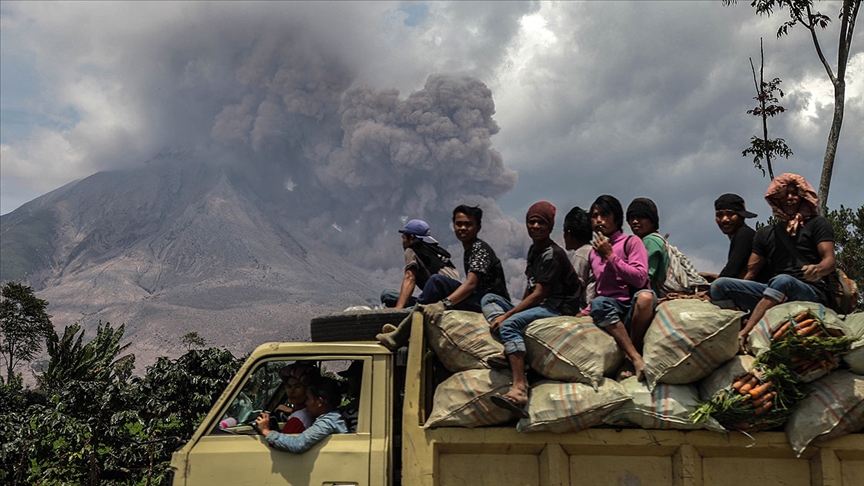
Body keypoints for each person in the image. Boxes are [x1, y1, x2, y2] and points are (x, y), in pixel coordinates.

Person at [710, 173, 836, 349]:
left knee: (783, 280)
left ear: (802, 196)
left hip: (811, 293)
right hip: (775, 292)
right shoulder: (766, 234)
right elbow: (750, 273)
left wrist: (818, 269)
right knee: (720, 285)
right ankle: (733, 328)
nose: (790, 198)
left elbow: (829, 260)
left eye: (794, 193)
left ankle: (744, 333)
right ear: (776, 198)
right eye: (784, 194)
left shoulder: (817, 224)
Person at [482, 201, 581, 416]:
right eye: (531, 221)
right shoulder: (534, 251)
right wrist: (516, 310)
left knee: (509, 325)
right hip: (541, 303)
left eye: (541, 223)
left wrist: (509, 316)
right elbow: (530, 286)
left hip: (557, 306)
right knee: (490, 299)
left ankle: (519, 387)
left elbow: (540, 293)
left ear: (550, 227)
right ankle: (512, 347)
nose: (535, 226)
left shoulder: (552, 254)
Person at [376, 206, 510, 350]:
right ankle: (411, 315)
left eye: (468, 224)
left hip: (489, 302)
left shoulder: (479, 248)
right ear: (453, 226)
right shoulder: (449, 252)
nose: (463, 228)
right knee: (390, 295)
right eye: (459, 224)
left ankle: (400, 334)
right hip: (470, 298)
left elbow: (471, 284)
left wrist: (444, 304)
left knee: (435, 281)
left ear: (478, 227)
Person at [585, 195, 651, 381]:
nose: (599, 220)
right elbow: (601, 290)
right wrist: (583, 312)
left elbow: (639, 278)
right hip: (610, 311)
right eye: (594, 215)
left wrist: (610, 256)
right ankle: (633, 356)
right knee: (598, 303)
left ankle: (633, 356)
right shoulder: (593, 252)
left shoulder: (631, 242)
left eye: (604, 215)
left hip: (632, 308)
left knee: (646, 298)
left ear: (616, 218)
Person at [380, 219, 459, 308]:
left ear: (412, 238)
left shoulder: (412, 249)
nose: (402, 243)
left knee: (387, 295)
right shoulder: (437, 252)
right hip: (455, 299)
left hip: (438, 304)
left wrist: (398, 309)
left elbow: (410, 278)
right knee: (389, 295)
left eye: (404, 238)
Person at [255, 377, 348, 453]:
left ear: (319, 401)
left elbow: (298, 444)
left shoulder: (327, 422)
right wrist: (292, 411)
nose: (306, 403)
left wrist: (266, 432)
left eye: (308, 399)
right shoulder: (334, 416)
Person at [700, 193, 768, 282]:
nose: (725, 219)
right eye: (719, 215)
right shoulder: (741, 235)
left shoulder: (744, 234)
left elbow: (732, 270)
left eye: (730, 214)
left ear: (741, 216)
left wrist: (708, 293)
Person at [563, 206, 596, 310]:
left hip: (585, 306)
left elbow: (575, 287)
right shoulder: (593, 250)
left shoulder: (581, 254)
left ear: (569, 233)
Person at [274, 362, 320, 434]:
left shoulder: (298, 419)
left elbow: (280, 444)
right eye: (289, 386)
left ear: (308, 390)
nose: (291, 391)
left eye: (297, 387)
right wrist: (292, 411)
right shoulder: (309, 412)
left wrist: (265, 430)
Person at [337, 361, 363, 433]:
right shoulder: (356, 403)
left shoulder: (365, 406)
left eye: (350, 378)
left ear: (359, 379)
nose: (348, 382)